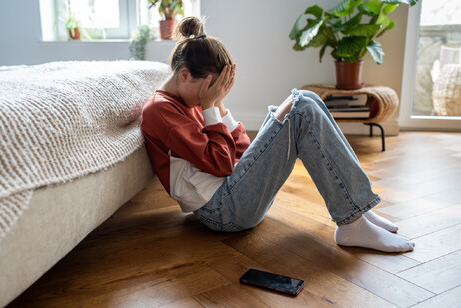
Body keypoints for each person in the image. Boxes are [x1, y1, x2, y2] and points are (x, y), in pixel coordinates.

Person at [141, 17, 415, 253]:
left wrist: (219, 104)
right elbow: (222, 164)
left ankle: (357, 209)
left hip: (233, 195)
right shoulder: (162, 110)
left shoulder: (193, 101)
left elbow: (241, 151)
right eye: (211, 88)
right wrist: (211, 106)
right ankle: (353, 223)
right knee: (303, 108)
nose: (211, 96)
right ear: (185, 75)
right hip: (222, 211)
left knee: (305, 99)